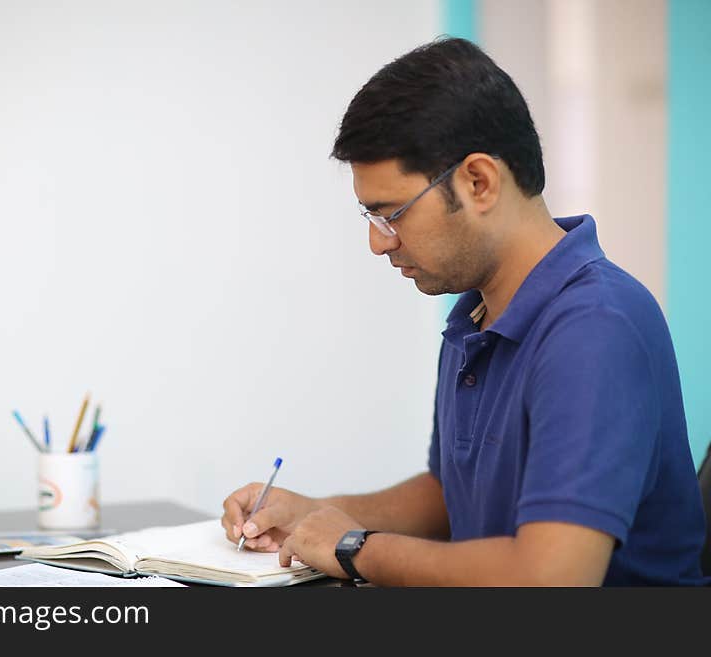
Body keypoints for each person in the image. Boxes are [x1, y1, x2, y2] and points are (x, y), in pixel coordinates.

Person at [220, 37, 708, 586]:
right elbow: (451, 497)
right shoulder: (473, 315)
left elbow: (551, 579)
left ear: (478, 182)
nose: (379, 244)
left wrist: (356, 547)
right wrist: (312, 514)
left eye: (391, 214)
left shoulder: (596, 328)